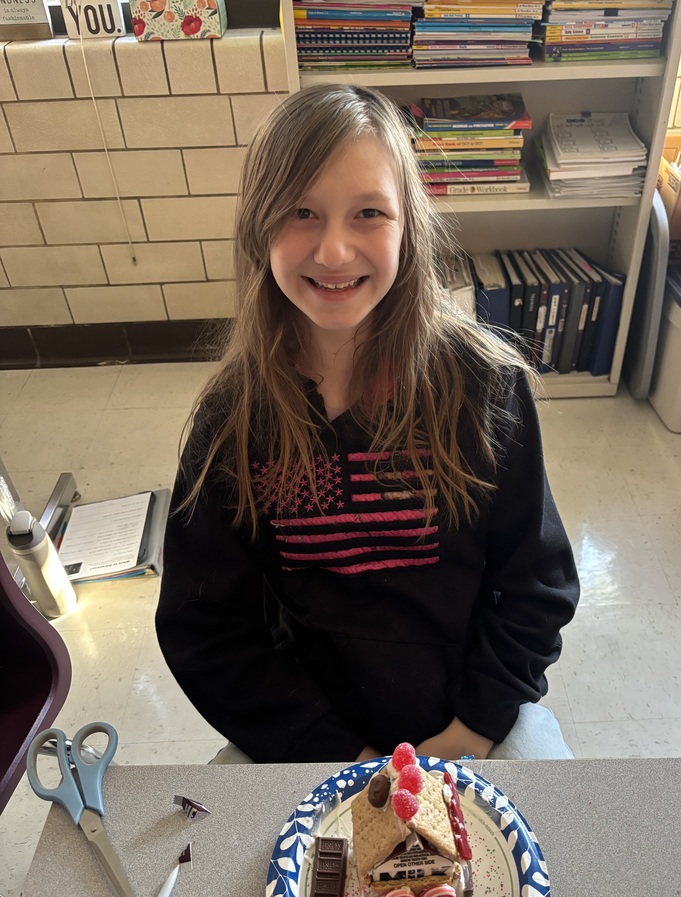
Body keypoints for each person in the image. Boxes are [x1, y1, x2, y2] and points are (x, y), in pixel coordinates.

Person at [155, 84, 580, 765]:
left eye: (368, 213)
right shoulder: (232, 422)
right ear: (258, 227)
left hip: (475, 723)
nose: (332, 250)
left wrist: (470, 729)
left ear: (409, 225)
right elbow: (205, 630)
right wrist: (338, 753)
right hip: (309, 738)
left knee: (558, 843)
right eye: (301, 212)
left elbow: (538, 585)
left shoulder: (485, 387)